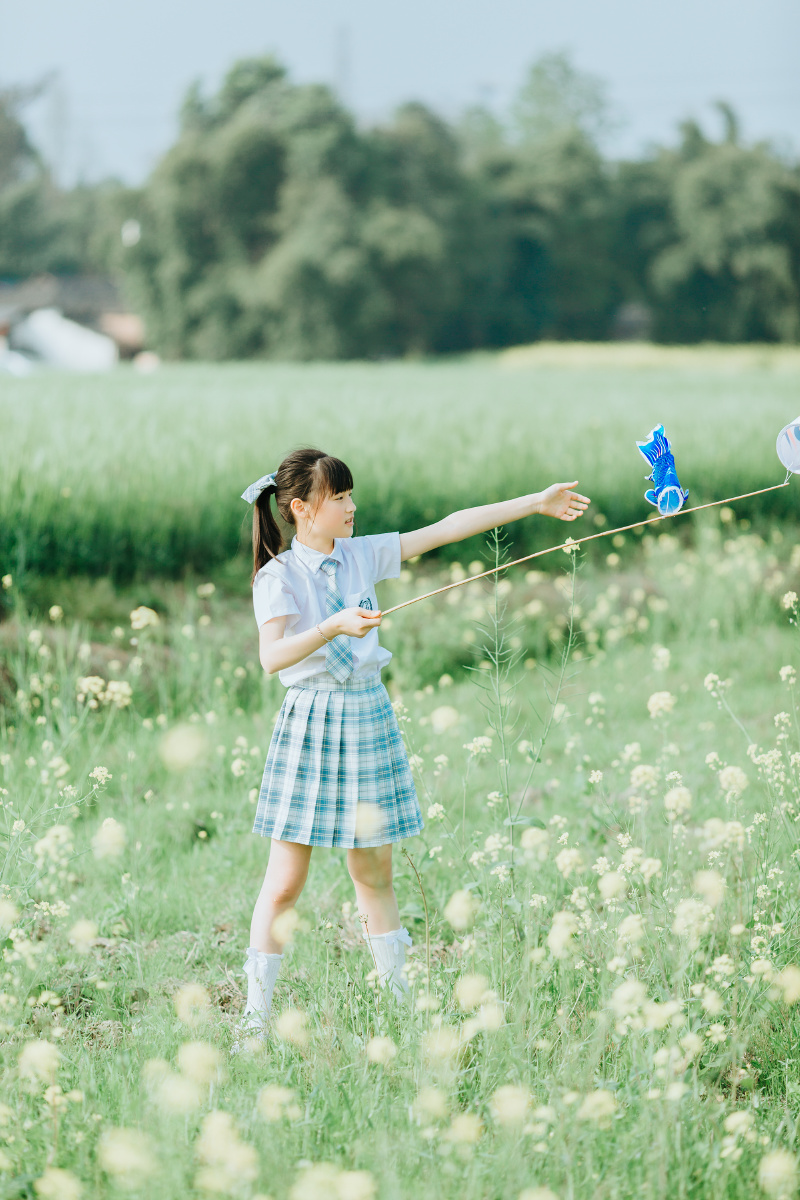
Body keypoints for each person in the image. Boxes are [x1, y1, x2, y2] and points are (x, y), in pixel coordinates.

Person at [239, 447, 590, 1034]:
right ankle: (255, 1018)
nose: (352, 508)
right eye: (340, 499)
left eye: (351, 496)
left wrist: (535, 503)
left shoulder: (360, 554)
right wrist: (331, 626)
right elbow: (271, 657)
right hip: (312, 723)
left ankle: (398, 1006)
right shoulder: (278, 577)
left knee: (374, 874)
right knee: (284, 884)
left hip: (367, 715)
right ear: (302, 509)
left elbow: (445, 529)